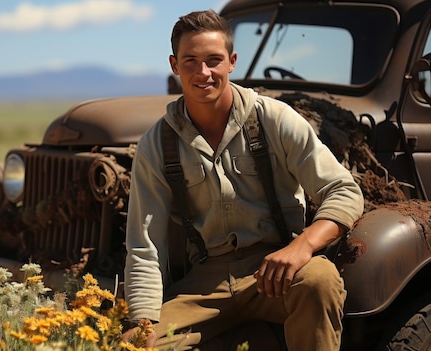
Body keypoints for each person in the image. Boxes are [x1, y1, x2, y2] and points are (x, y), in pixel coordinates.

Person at [122, 9, 364, 351]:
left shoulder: (273, 118)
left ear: (232, 61)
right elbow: (146, 246)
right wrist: (142, 320)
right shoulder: (157, 143)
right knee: (135, 346)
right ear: (174, 66)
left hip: (275, 270)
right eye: (190, 61)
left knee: (319, 281)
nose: (203, 72)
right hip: (204, 284)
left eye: (213, 60)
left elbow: (343, 190)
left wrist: (301, 247)